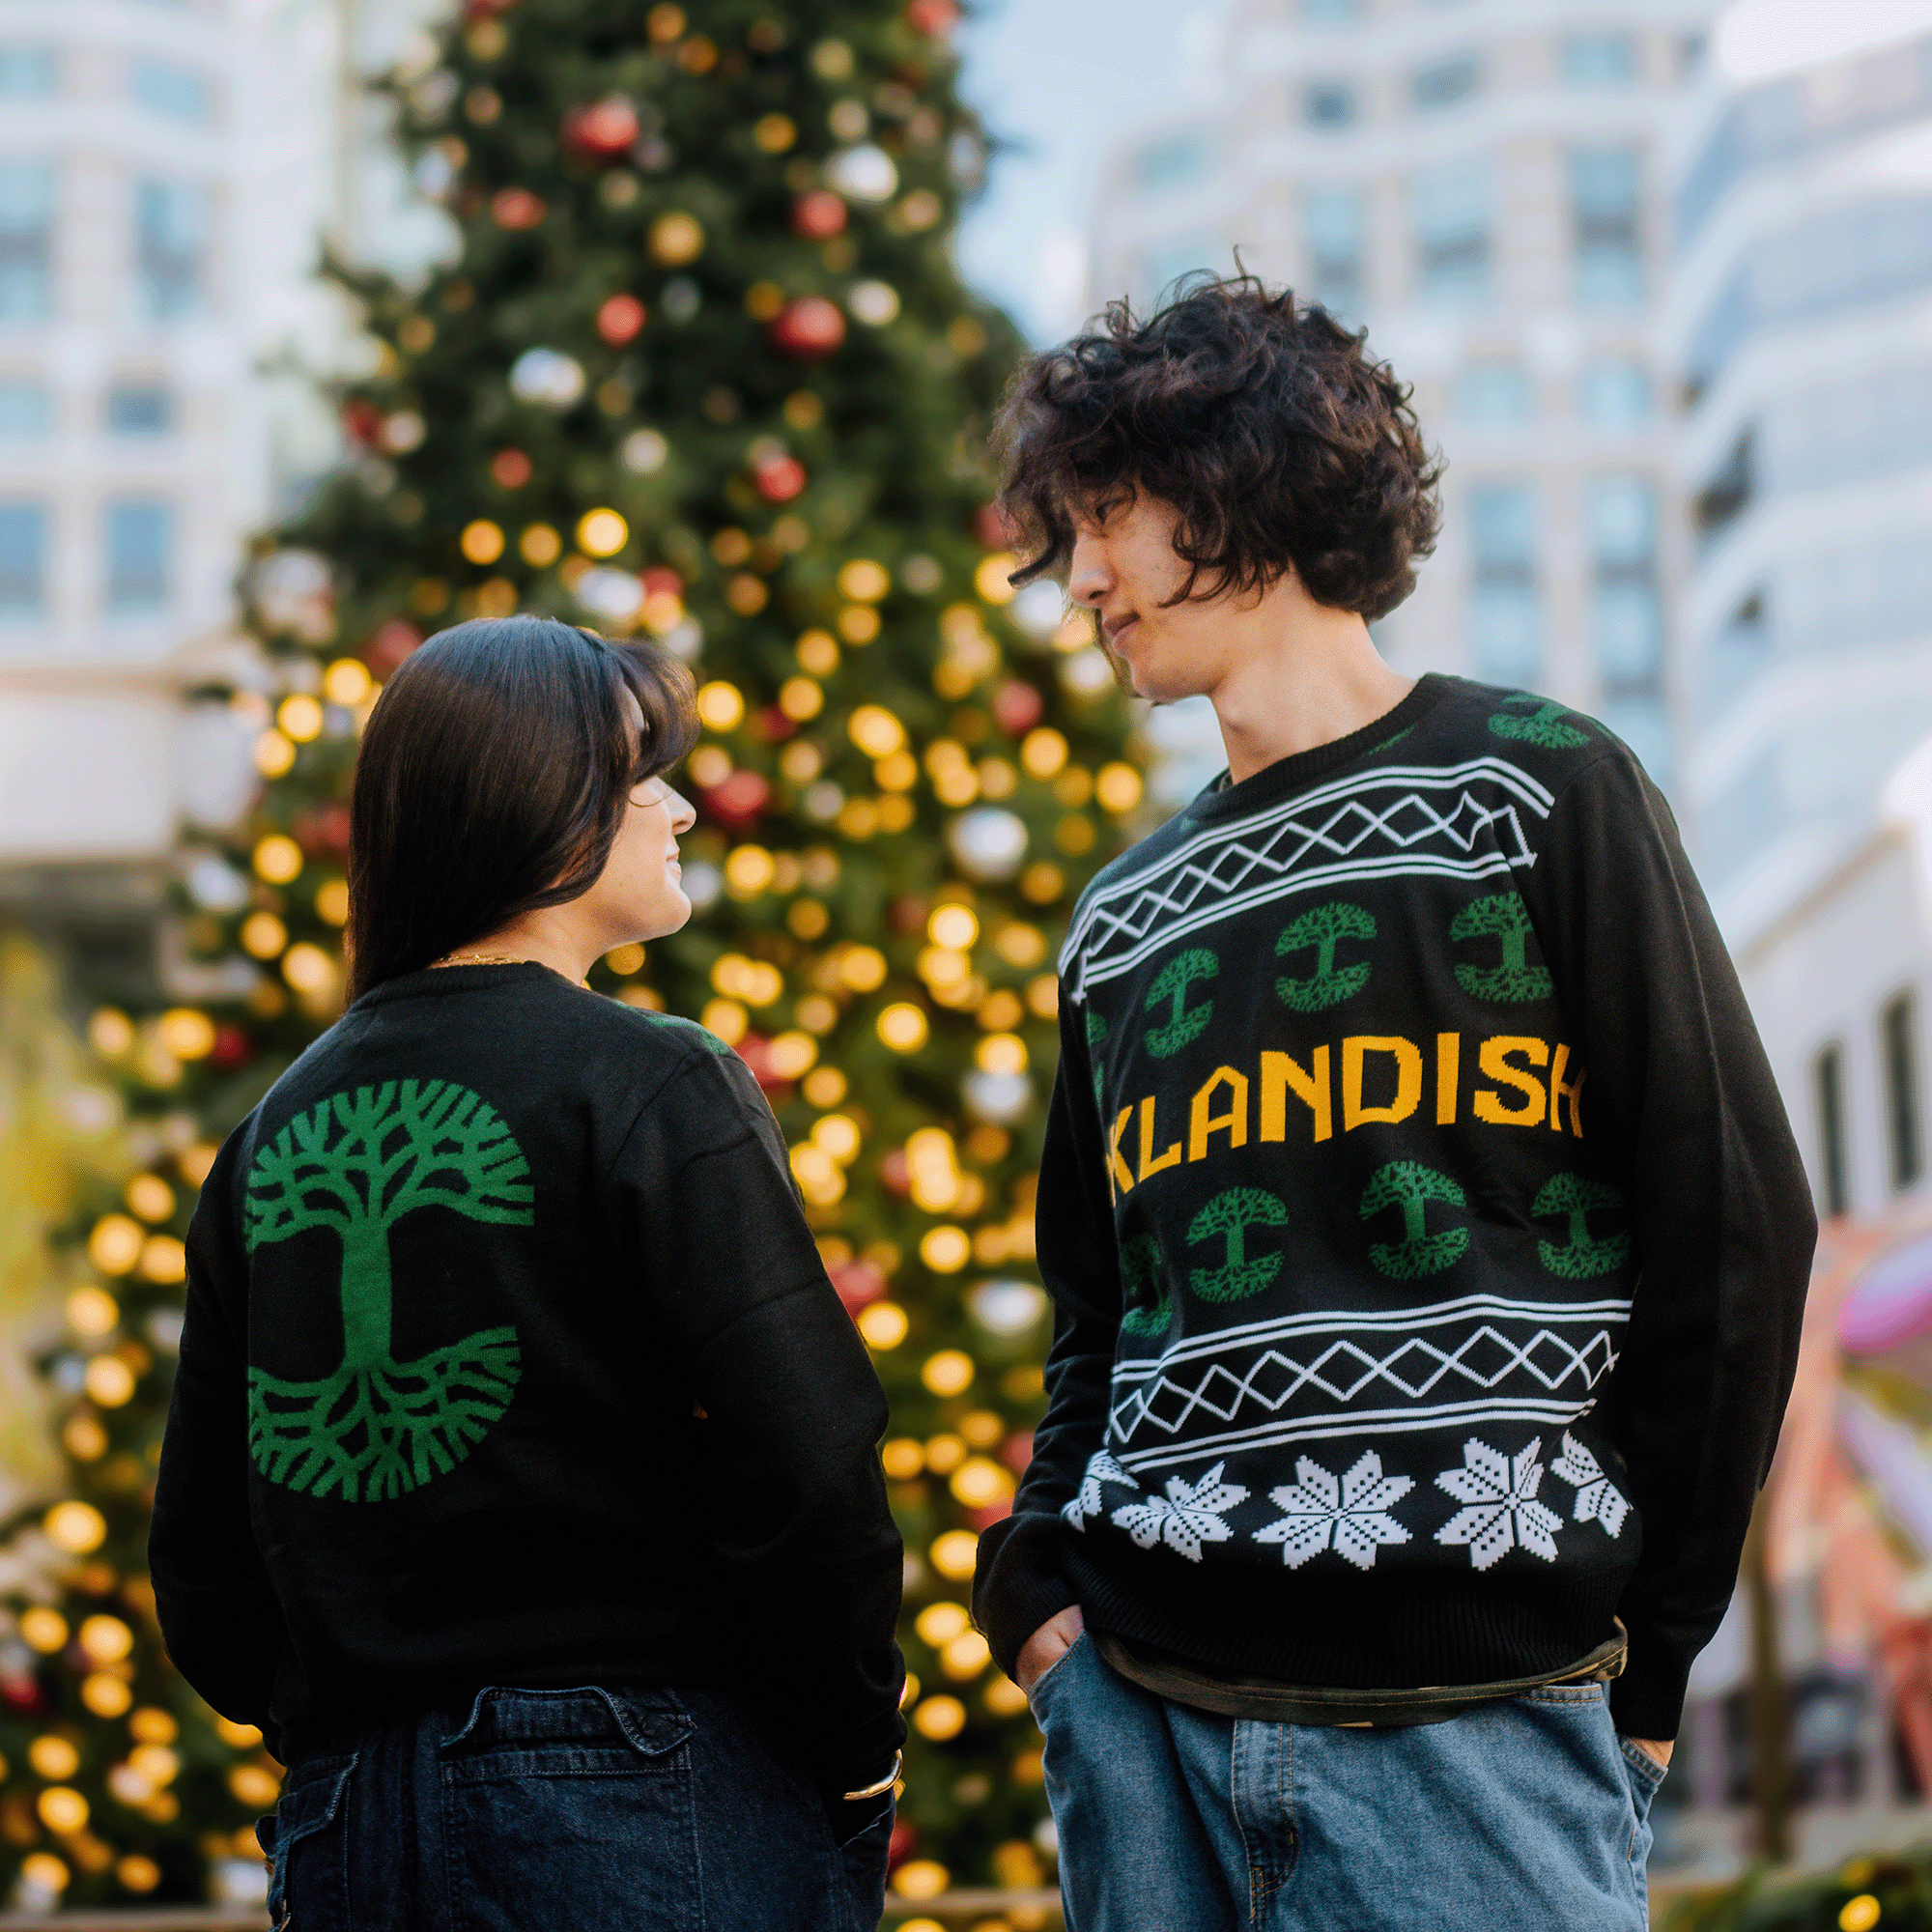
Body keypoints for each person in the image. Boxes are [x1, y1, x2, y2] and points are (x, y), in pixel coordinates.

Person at [972, 278, 1816, 1930]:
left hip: (1482, 1730)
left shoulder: (1543, 789)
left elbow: (1732, 1232)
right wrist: (1037, 1595)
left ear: (1242, 488)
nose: (1080, 580)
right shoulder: (1119, 920)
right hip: (1141, 1726)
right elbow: (1100, 1311)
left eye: (1109, 518)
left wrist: (1647, 1654)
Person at [152, 616, 904, 1932]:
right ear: (537, 804)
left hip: (345, 1820)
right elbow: (811, 1458)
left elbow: (204, 1568)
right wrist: (851, 1744)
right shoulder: (653, 1081)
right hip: (640, 1791)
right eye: (639, 773)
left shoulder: (267, 1139)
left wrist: (351, 1722)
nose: (676, 803)